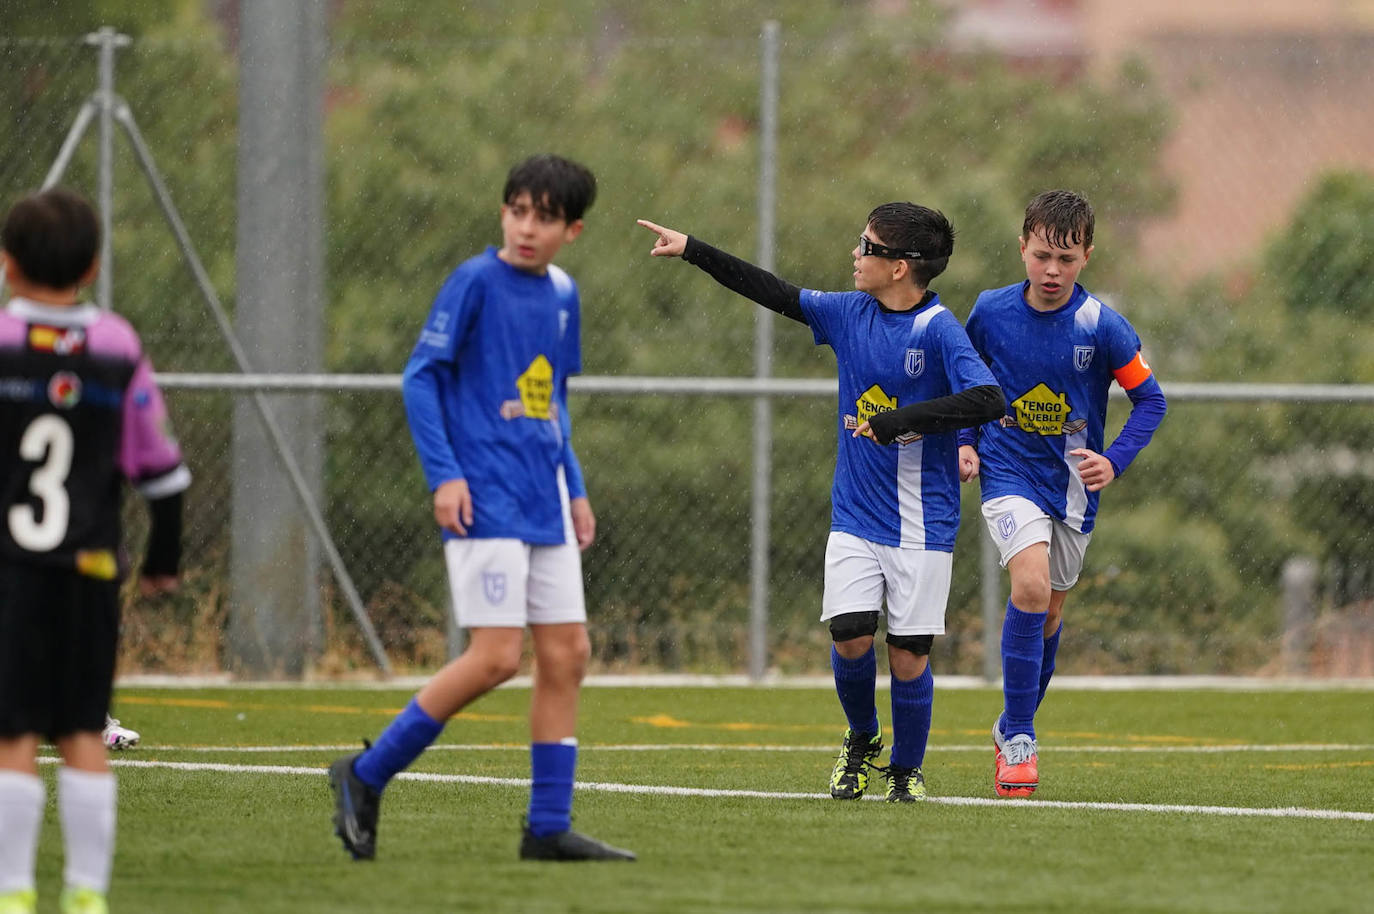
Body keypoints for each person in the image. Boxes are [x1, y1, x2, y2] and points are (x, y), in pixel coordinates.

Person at [637, 203, 1003, 802]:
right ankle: (861, 738)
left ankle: (906, 769)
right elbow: (774, 292)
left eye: (868, 246)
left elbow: (989, 399)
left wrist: (901, 420)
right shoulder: (849, 313)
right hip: (855, 516)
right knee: (850, 634)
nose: (856, 253)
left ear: (900, 267)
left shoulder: (938, 329)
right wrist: (693, 249)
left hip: (922, 522)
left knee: (908, 657)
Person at [328, 154, 634, 862]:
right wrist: (445, 476)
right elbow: (420, 378)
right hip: (485, 494)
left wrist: (574, 486)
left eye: (544, 218)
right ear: (503, 212)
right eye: (517, 211)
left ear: (573, 230)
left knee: (568, 653)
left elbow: (550, 400)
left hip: (543, 496)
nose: (526, 228)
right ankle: (365, 774)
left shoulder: (563, 293)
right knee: (496, 657)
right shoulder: (473, 281)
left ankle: (547, 827)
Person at [0, 188, 189, 914]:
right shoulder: (116, 347)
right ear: (92, 266)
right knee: (83, 731)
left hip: (13, 573)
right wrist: (163, 562)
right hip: (90, 571)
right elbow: (164, 476)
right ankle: (86, 894)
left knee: (14, 733)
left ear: (8, 265)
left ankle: (14, 893)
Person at [955, 189, 1167, 797]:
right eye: (1043, 255)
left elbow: (1151, 400)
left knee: (1049, 612)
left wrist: (1114, 460)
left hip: (1073, 488)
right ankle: (1021, 738)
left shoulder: (1101, 325)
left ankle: (1009, 723)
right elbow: (966, 382)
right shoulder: (990, 312)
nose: (1052, 270)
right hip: (1007, 471)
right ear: (1022, 247)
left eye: (1067, 260)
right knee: (1030, 586)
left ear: (1087, 257)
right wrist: (966, 442)